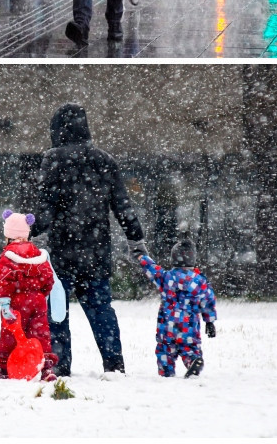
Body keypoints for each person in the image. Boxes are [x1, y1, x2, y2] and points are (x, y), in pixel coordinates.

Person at [31, 102, 145, 377]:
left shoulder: (53, 159)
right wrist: (136, 239)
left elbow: (46, 210)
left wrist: (27, 227)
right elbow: (122, 205)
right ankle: (114, 363)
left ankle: (60, 364)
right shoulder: (105, 160)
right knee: (101, 309)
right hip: (96, 252)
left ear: (58, 130)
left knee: (57, 311)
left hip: (63, 253)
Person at [134, 239, 218, 378]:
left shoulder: (166, 277)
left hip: (167, 326)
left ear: (173, 257)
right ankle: (193, 361)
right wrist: (209, 321)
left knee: (165, 350)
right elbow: (208, 301)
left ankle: (166, 372)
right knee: (190, 348)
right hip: (189, 327)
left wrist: (141, 256)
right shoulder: (199, 281)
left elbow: (152, 268)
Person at [0, 210, 57, 382]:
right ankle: (46, 367)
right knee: (40, 333)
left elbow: (4, 280)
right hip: (38, 301)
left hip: (16, 301)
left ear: (8, 235)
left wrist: (5, 302)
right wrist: (40, 294)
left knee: (11, 334)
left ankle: (6, 368)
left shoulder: (7, 256)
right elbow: (48, 278)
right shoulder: (37, 253)